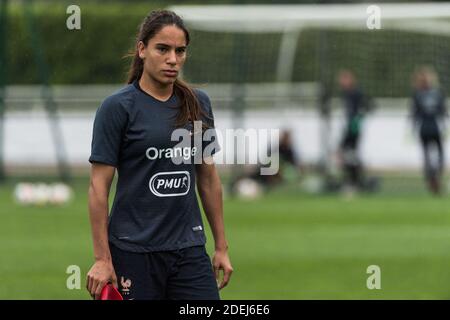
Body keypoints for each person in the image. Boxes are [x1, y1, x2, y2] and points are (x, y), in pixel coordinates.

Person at [86, 10, 233, 300]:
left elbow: (208, 179)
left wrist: (221, 247)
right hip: (133, 251)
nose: (173, 59)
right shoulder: (117, 107)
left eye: (180, 51)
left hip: (189, 250)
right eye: (163, 49)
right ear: (142, 49)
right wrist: (103, 258)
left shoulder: (198, 104)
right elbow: (98, 187)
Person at [411, 66, 447, 195]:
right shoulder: (436, 93)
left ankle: (431, 179)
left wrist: (412, 128)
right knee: (439, 155)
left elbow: (414, 113)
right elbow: (443, 111)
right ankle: (436, 178)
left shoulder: (418, 93)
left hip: (425, 128)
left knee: (427, 155)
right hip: (433, 127)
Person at [337, 70, 371, 192]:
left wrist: (358, 119)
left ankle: (354, 182)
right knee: (346, 155)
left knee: (351, 155)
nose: (341, 82)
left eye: (344, 79)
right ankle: (352, 181)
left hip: (353, 130)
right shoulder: (346, 94)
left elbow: (368, 106)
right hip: (348, 129)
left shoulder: (356, 93)